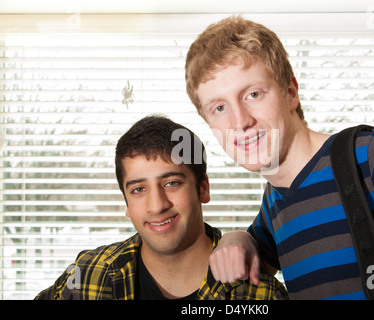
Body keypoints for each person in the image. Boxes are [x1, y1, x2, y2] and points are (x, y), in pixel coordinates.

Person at [185, 15, 374, 299]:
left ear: (290, 93)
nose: (240, 121)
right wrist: (236, 239)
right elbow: (252, 250)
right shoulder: (274, 203)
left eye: (253, 94)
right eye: (219, 108)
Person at [35, 115, 288, 300]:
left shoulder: (259, 296)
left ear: (203, 188)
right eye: (138, 189)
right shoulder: (88, 276)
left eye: (171, 183)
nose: (157, 206)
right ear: (126, 202)